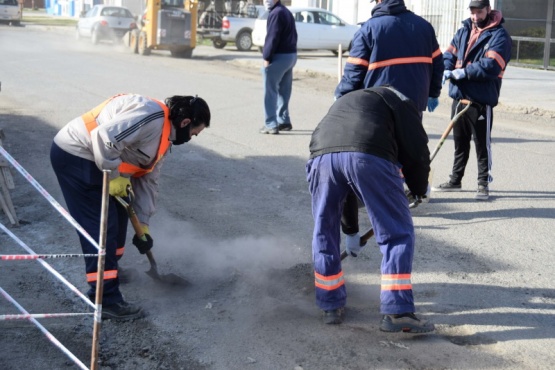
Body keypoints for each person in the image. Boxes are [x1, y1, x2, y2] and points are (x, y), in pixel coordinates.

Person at [50, 94, 211, 320]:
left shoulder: (164, 139)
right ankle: (105, 300)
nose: (192, 137)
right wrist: (115, 176)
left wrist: (143, 224)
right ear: (185, 123)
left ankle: (111, 270)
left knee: (120, 221)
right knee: (102, 229)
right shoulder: (150, 116)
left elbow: (148, 179)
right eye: (195, 132)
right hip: (77, 155)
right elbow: (104, 136)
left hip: (102, 163)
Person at [307, 86, 434, 333]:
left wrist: (351, 231)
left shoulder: (351, 100)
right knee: (396, 232)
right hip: (368, 155)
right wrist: (419, 188)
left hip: (321, 157)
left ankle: (330, 305)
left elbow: (343, 173)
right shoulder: (402, 101)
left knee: (324, 230)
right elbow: (417, 150)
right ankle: (397, 312)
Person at [432, 0, 512, 200]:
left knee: (481, 144)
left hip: (481, 99)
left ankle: (483, 183)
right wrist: (447, 69)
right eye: (473, 12)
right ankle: (455, 180)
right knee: (460, 142)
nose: (475, 17)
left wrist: (463, 72)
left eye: (479, 12)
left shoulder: (499, 36)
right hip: (459, 96)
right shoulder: (464, 31)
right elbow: (449, 54)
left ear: (488, 10)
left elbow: (492, 65)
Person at [334, 0, 443, 116]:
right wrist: (433, 93)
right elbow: (438, 65)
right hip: (413, 108)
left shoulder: (368, 30)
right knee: (409, 134)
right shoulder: (424, 27)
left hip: (377, 108)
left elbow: (354, 72)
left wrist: (341, 95)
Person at [259, 0, 297, 135]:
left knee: (270, 91)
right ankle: (284, 120)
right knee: (284, 91)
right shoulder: (285, 11)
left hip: (279, 56)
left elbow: (272, 37)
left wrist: (267, 57)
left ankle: (270, 123)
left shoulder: (276, 13)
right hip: (291, 56)